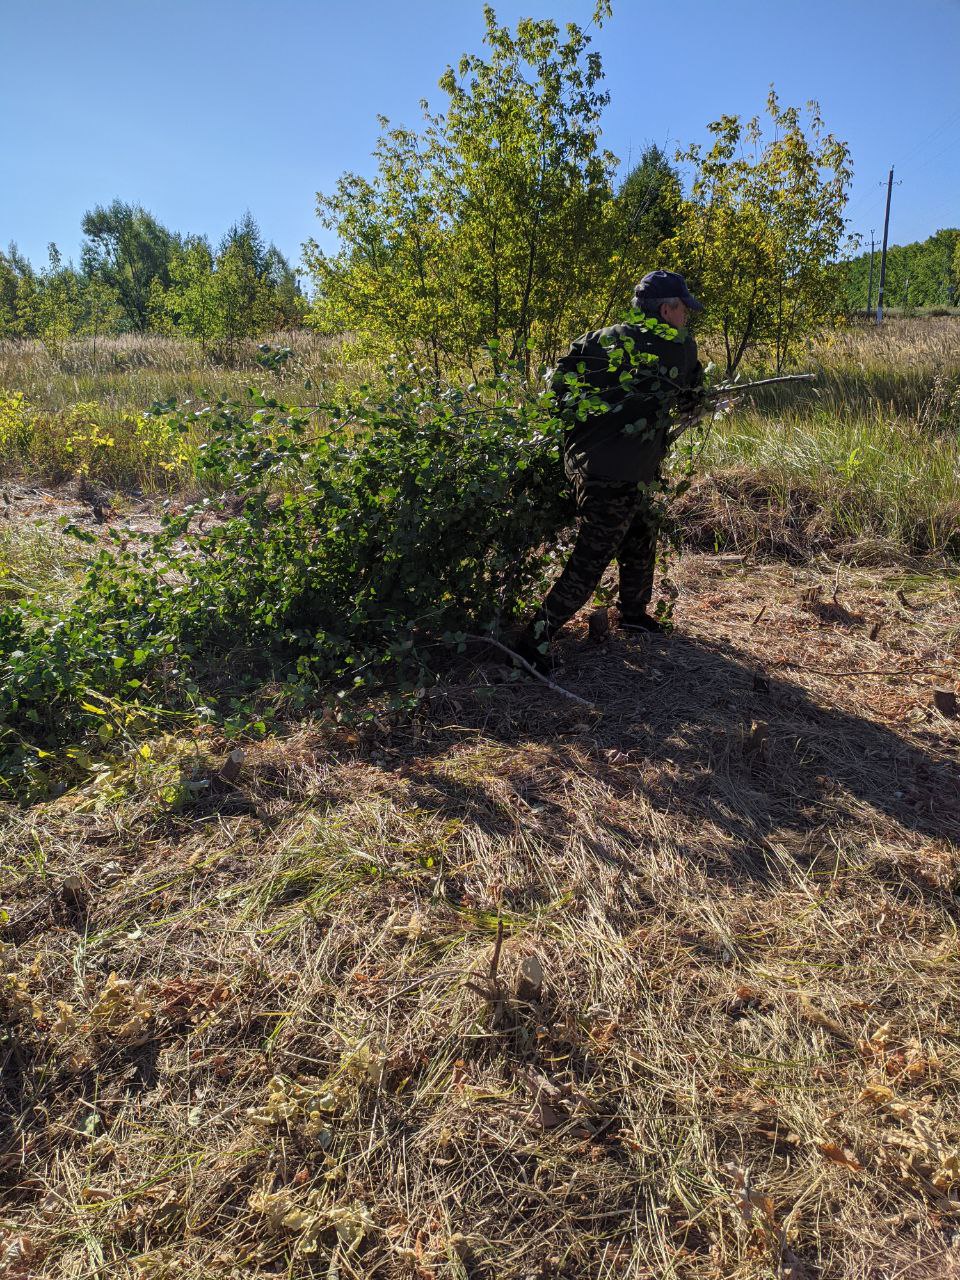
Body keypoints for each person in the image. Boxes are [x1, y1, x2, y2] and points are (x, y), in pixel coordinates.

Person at [515, 270, 705, 673]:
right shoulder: (678, 348)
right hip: (616, 471)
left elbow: (558, 391)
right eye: (684, 308)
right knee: (592, 557)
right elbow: (693, 397)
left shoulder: (598, 339)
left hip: (587, 461)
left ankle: (633, 614)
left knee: (640, 530)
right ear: (667, 309)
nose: (687, 316)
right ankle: (533, 642)